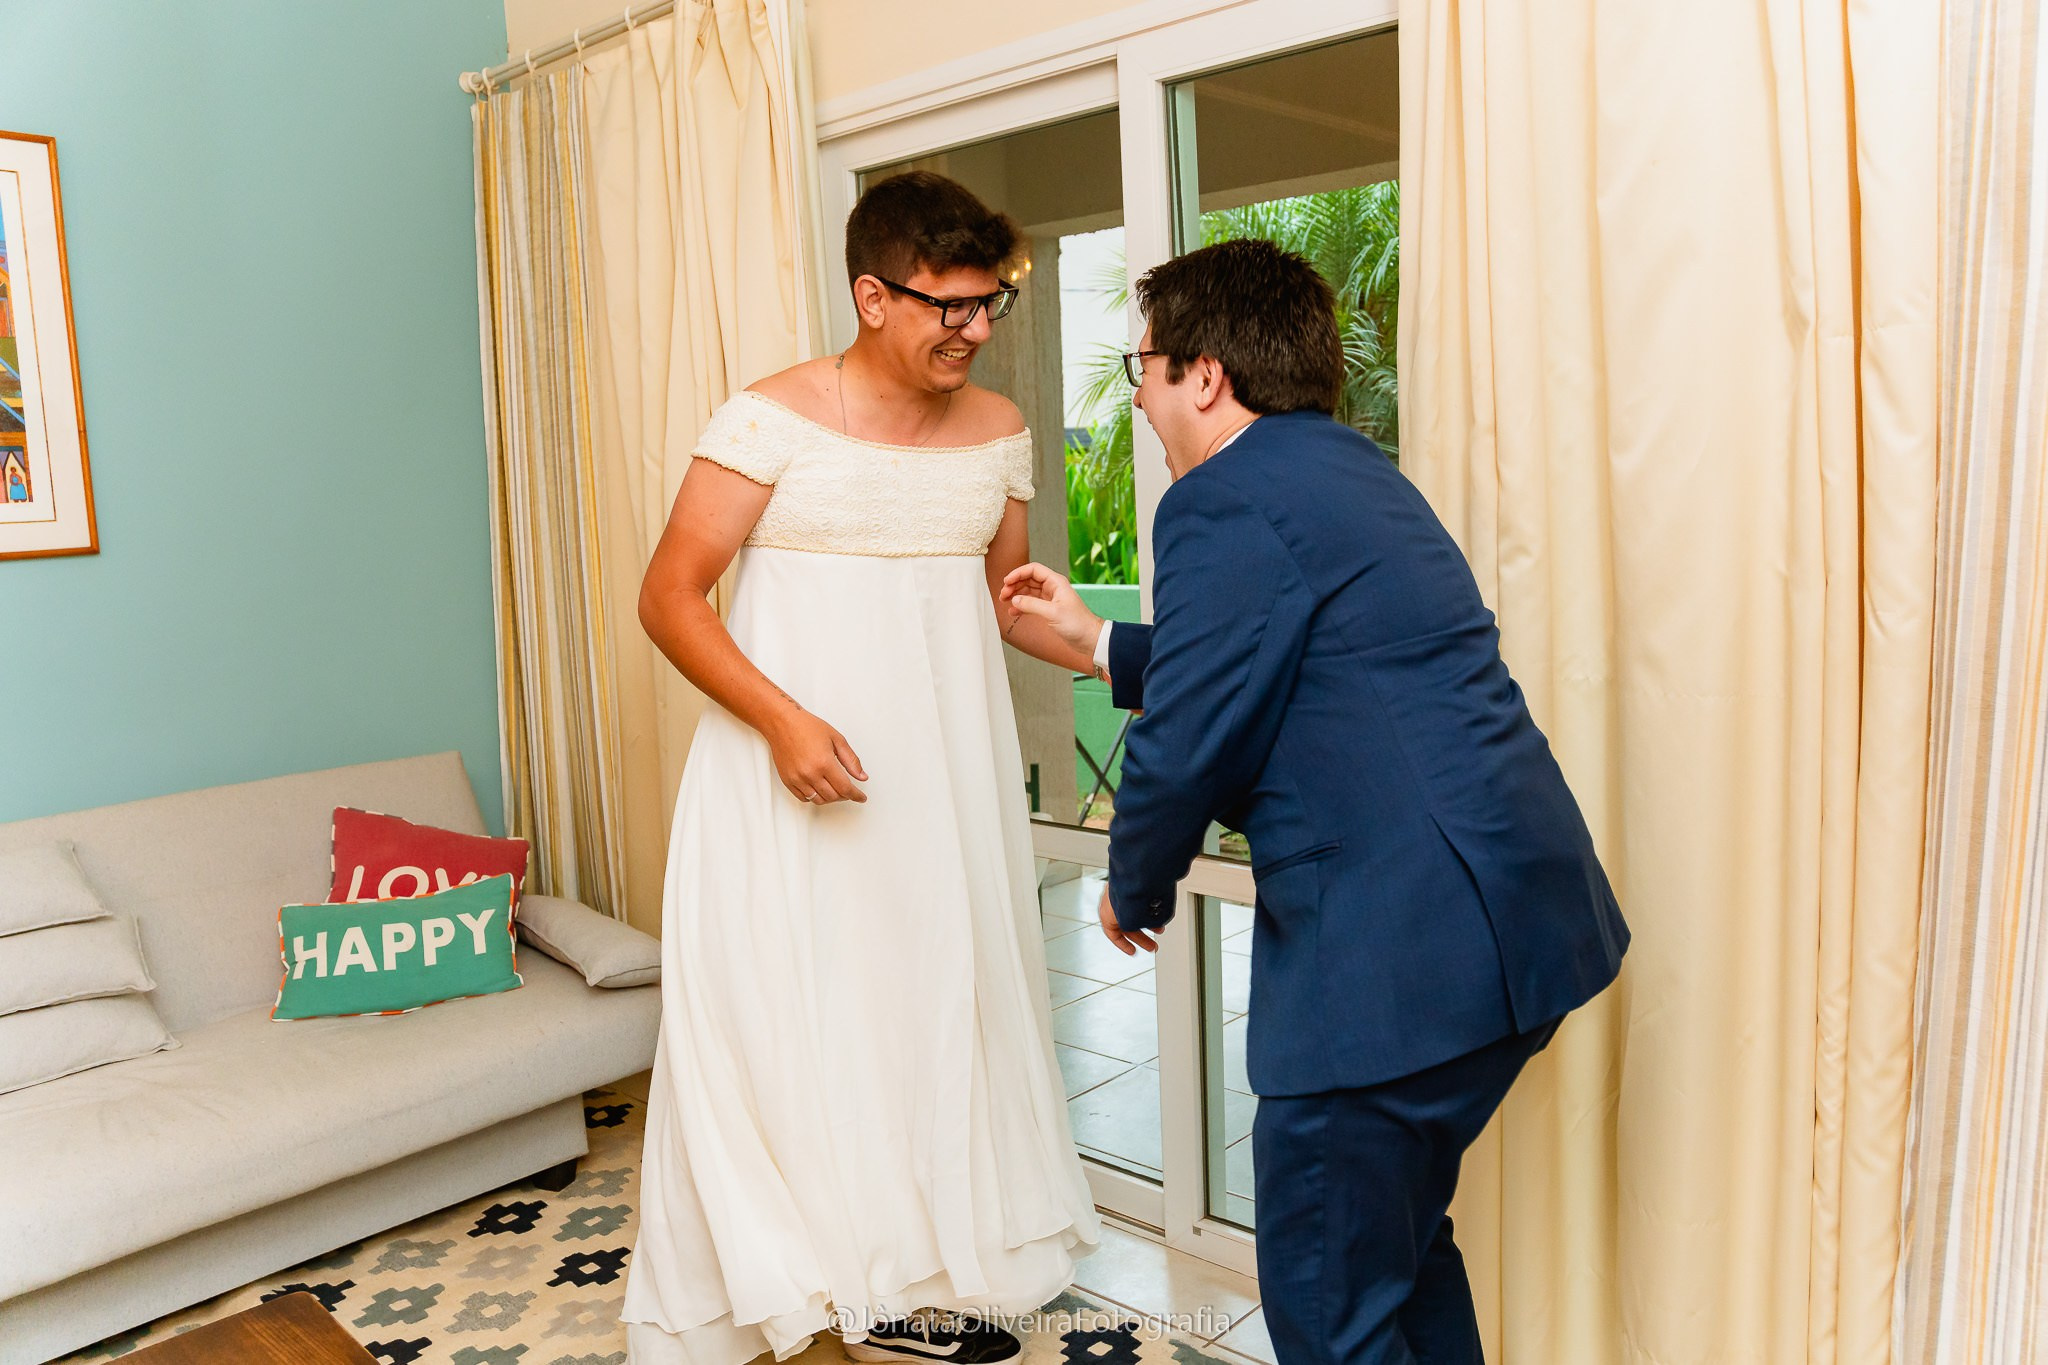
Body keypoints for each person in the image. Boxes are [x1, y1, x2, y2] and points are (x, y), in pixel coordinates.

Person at [1001, 238, 1629, 1365]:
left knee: (1326, 1297)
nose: (1137, 396)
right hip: (1515, 925)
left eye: (1144, 366)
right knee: (1389, 1251)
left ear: (1204, 374)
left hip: (1397, 958)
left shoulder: (1217, 502)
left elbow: (1190, 735)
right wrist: (1098, 643)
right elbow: (1299, 657)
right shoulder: (1350, 472)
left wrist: (1131, 883)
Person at [622, 171, 1102, 1365]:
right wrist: (782, 722)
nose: (975, 330)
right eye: (950, 306)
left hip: (941, 787)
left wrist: (1115, 652)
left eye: (990, 305)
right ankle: (788, 1298)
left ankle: (900, 1273)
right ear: (872, 296)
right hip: (786, 776)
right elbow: (668, 600)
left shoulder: (996, 431)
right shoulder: (767, 418)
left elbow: (1005, 600)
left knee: (920, 1011)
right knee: (788, 1019)